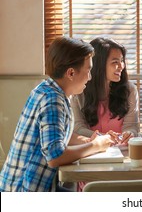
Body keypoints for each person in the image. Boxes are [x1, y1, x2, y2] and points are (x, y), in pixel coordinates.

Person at [0, 37, 113, 192]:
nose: (90, 77)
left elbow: (56, 135)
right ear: (71, 73)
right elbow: (55, 157)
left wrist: (87, 140)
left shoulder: (48, 89)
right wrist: (96, 146)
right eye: (88, 71)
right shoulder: (52, 100)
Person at [71, 37, 139, 146]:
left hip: (121, 151)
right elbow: (78, 128)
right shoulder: (78, 91)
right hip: (91, 151)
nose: (121, 66)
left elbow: (132, 126)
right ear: (99, 64)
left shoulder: (130, 90)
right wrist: (104, 138)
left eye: (122, 60)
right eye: (115, 62)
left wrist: (129, 134)